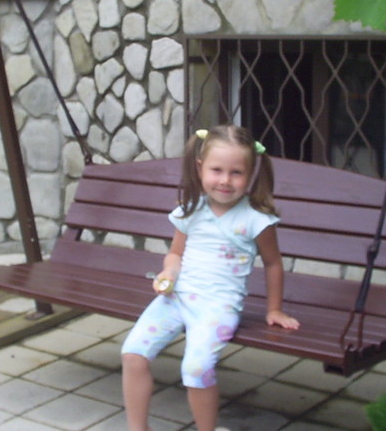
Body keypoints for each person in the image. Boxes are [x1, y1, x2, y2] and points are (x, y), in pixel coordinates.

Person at [121, 124, 300, 431]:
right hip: (176, 298)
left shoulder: (256, 219)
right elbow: (175, 254)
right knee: (133, 353)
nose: (225, 180)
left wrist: (274, 309)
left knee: (196, 368)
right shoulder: (191, 210)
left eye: (236, 173)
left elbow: (273, 263)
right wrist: (169, 272)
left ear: (251, 174)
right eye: (217, 170)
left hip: (217, 307)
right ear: (200, 167)